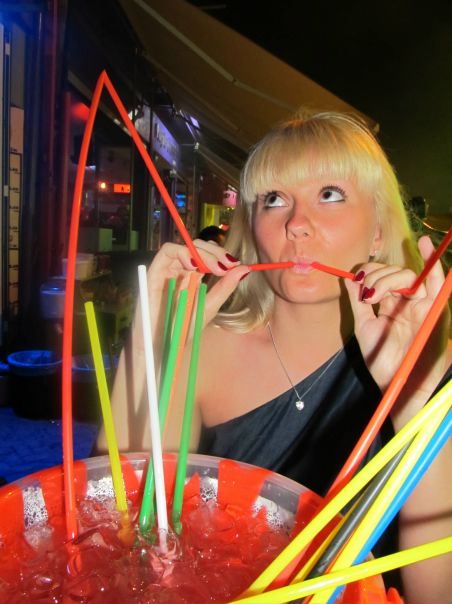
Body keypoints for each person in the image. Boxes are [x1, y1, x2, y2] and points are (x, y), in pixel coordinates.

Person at [98, 112, 452, 603]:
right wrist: (151, 347)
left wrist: (414, 397)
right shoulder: (202, 347)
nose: (296, 224)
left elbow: (437, 592)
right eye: (274, 199)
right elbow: (127, 540)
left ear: (378, 230)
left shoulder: (427, 363)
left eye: (330, 194)